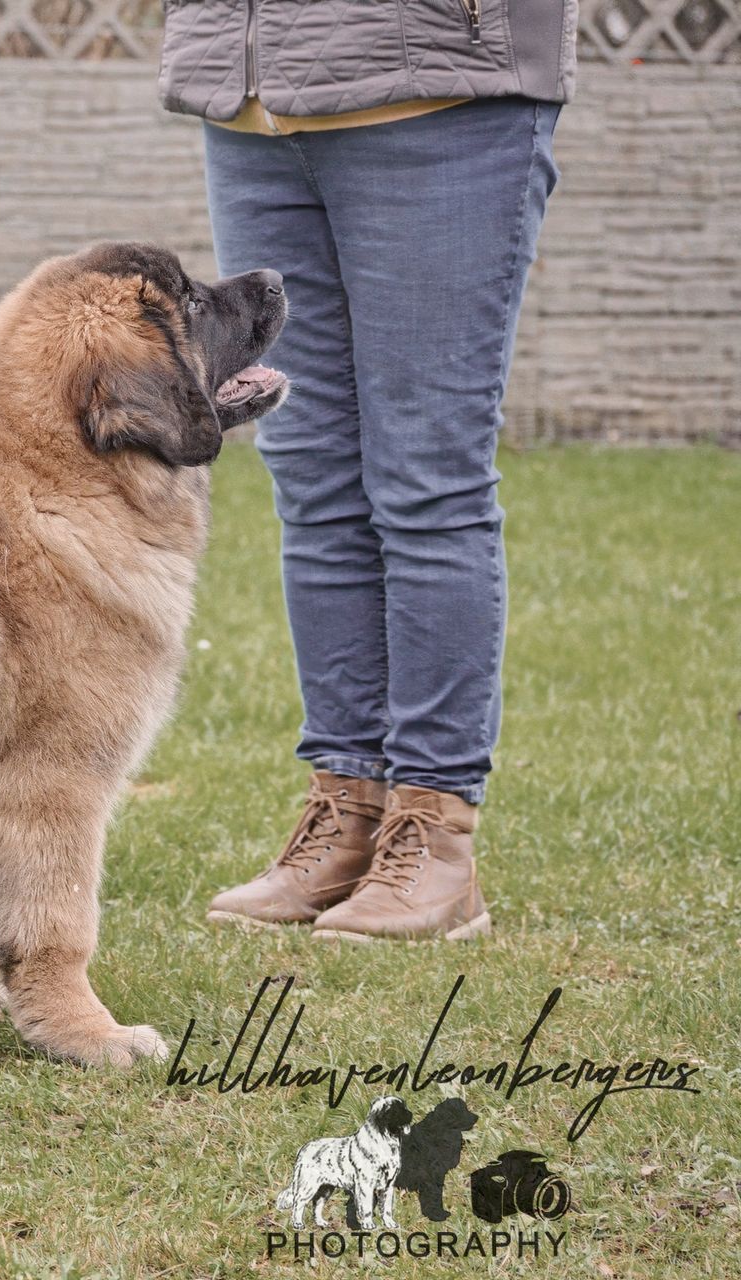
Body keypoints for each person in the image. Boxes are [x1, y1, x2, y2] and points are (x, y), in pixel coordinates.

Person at [157, 3, 577, 941]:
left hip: (440, 97)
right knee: (310, 480)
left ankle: (436, 834)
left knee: (427, 480)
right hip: (252, 103)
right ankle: (346, 811)